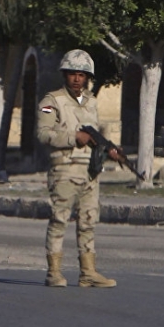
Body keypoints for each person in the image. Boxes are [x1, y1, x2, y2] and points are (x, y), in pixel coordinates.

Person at [37, 49, 118, 288]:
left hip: (90, 171)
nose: (76, 79)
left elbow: (96, 135)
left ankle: (88, 272)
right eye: (72, 73)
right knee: (59, 219)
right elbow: (43, 134)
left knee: (88, 221)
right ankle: (54, 272)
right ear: (65, 74)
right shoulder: (50, 102)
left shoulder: (91, 102)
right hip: (64, 169)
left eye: (81, 75)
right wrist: (74, 137)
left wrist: (110, 150)